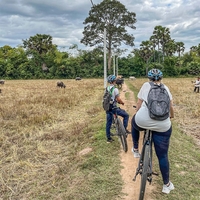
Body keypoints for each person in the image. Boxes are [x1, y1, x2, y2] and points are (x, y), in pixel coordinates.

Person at [131, 69, 175, 194]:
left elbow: (139, 104)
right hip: (163, 125)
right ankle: (166, 184)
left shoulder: (145, 86)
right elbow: (171, 107)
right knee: (162, 155)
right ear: (161, 78)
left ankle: (135, 149)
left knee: (134, 122)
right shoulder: (166, 88)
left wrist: (137, 114)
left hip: (143, 121)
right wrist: (171, 117)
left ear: (149, 78)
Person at [105, 74, 130, 143]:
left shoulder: (106, 88)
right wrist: (122, 103)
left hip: (108, 108)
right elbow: (118, 99)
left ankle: (109, 138)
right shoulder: (115, 89)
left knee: (108, 123)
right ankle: (124, 130)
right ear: (114, 81)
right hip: (114, 108)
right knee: (126, 115)